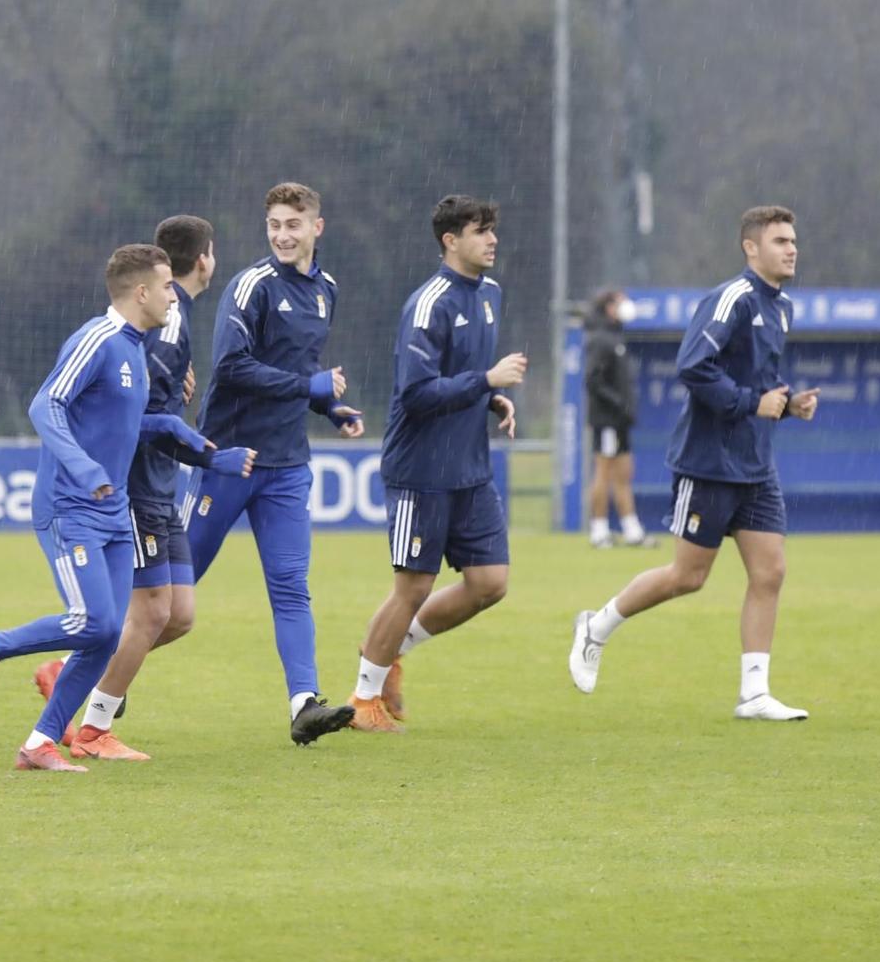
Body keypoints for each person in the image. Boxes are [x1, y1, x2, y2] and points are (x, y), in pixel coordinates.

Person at [0, 244, 251, 772]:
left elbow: (129, 428)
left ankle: (39, 744)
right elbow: (46, 404)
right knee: (91, 621)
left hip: (112, 510)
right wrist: (84, 469)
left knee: (107, 632)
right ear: (141, 292)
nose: (174, 294)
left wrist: (199, 450)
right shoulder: (99, 339)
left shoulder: (135, 349)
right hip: (70, 506)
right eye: (166, 286)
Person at [568, 205, 819, 721]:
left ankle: (754, 693)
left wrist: (787, 405)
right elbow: (693, 367)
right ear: (751, 248)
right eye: (779, 241)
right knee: (688, 576)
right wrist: (753, 403)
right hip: (709, 462)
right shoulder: (730, 299)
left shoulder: (782, 307)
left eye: (793, 240)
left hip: (756, 464)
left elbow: (758, 384)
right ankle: (597, 627)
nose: (791, 248)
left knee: (770, 571)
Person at [30, 216, 248, 761]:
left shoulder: (175, 320)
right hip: (137, 489)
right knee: (147, 615)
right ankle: (92, 723)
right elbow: (128, 406)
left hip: (162, 487)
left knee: (178, 617)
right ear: (204, 260)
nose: (170, 295)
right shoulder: (157, 325)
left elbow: (150, 394)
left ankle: (77, 674)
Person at [187, 182, 365, 745]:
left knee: (291, 586)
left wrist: (327, 406)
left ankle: (304, 704)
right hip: (229, 458)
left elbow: (297, 369)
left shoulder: (326, 290)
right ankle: (74, 673)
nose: (283, 235)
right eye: (274, 226)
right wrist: (308, 386)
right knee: (170, 594)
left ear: (318, 226)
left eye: (294, 224)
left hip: (288, 464)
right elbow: (231, 368)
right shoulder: (251, 287)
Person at [347, 196, 525, 733]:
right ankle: (362, 702)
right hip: (422, 470)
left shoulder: (489, 293)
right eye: (480, 231)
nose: (492, 240)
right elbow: (418, 393)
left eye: (493, 230)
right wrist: (487, 382)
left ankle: (391, 648)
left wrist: (491, 398)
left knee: (490, 583)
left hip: (469, 468)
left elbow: (464, 373)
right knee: (413, 588)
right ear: (450, 241)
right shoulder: (429, 305)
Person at [584, 289, 654, 549]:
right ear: (609, 307)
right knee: (603, 473)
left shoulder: (616, 338)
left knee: (624, 473)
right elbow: (592, 380)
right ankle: (599, 531)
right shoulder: (601, 339)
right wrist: (618, 405)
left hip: (620, 422)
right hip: (608, 422)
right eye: (620, 301)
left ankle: (632, 530)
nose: (626, 306)